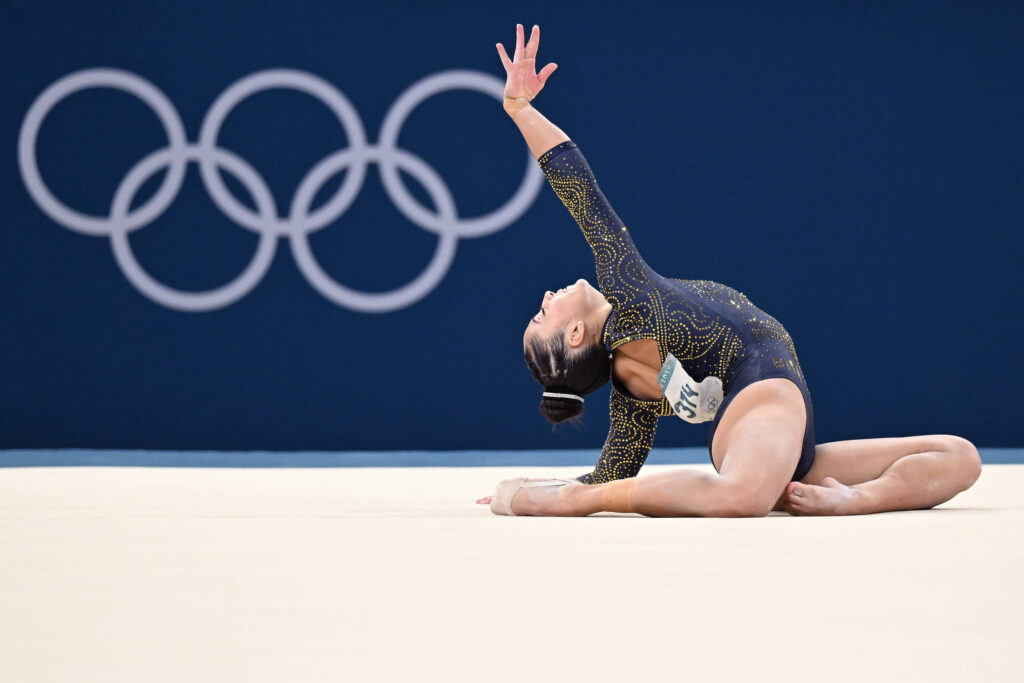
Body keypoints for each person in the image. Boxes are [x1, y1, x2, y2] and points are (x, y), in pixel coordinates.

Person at [476, 25, 981, 517]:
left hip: (788, 437)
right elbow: (576, 186)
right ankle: (575, 506)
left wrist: (520, 106)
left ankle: (856, 500)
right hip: (761, 403)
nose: (543, 297)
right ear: (577, 332)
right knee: (740, 497)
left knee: (959, 456)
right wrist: (520, 111)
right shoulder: (628, 303)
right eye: (542, 317)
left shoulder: (634, 352)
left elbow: (613, 471)